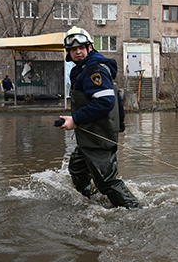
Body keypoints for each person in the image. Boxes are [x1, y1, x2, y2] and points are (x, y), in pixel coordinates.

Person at [57, 26, 141, 209]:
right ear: (68, 52)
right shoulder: (84, 68)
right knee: (78, 167)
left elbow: (105, 102)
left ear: (90, 47)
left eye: (81, 47)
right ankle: (85, 201)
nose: (77, 52)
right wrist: (119, 125)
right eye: (73, 49)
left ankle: (138, 213)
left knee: (107, 182)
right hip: (93, 132)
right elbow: (114, 97)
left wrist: (75, 120)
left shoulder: (93, 69)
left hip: (98, 135)